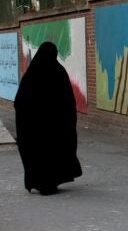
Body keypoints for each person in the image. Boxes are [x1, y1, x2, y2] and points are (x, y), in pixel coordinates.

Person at [14, 41, 82, 195]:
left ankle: (39, 182)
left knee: (37, 154)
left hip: (34, 129)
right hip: (55, 128)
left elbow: (19, 102)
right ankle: (51, 182)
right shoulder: (59, 72)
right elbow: (68, 102)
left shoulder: (31, 74)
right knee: (54, 152)